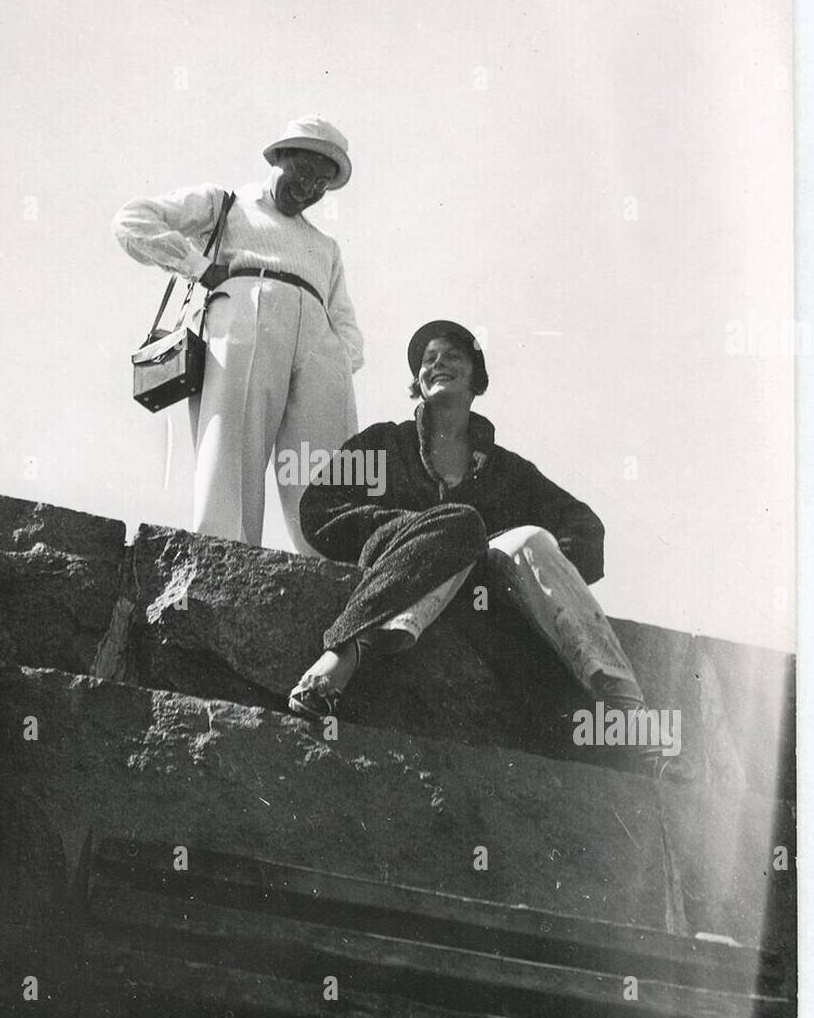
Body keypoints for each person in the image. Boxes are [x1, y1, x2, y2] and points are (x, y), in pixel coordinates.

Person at [289, 319, 656, 766]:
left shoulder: (508, 471)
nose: (437, 363)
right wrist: (411, 527)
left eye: (452, 357)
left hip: (483, 590)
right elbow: (317, 508)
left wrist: (529, 577)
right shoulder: (385, 445)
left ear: (475, 378)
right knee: (461, 524)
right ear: (418, 382)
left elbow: (584, 527)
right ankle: (341, 656)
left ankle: (628, 712)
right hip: (398, 564)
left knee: (530, 540)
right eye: (428, 360)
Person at [113, 116, 363, 553]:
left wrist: (339, 358)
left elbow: (343, 317)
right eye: (303, 173)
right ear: (278, 157)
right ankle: (224, 555)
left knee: (324, 462)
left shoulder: (325, 246)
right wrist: (199, 267)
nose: (308, 190)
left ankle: (337, 565)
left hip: (319, 345)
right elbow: (133, 221)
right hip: (246, 319)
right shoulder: (226, 204)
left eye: (321, 184)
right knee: (233, 446)